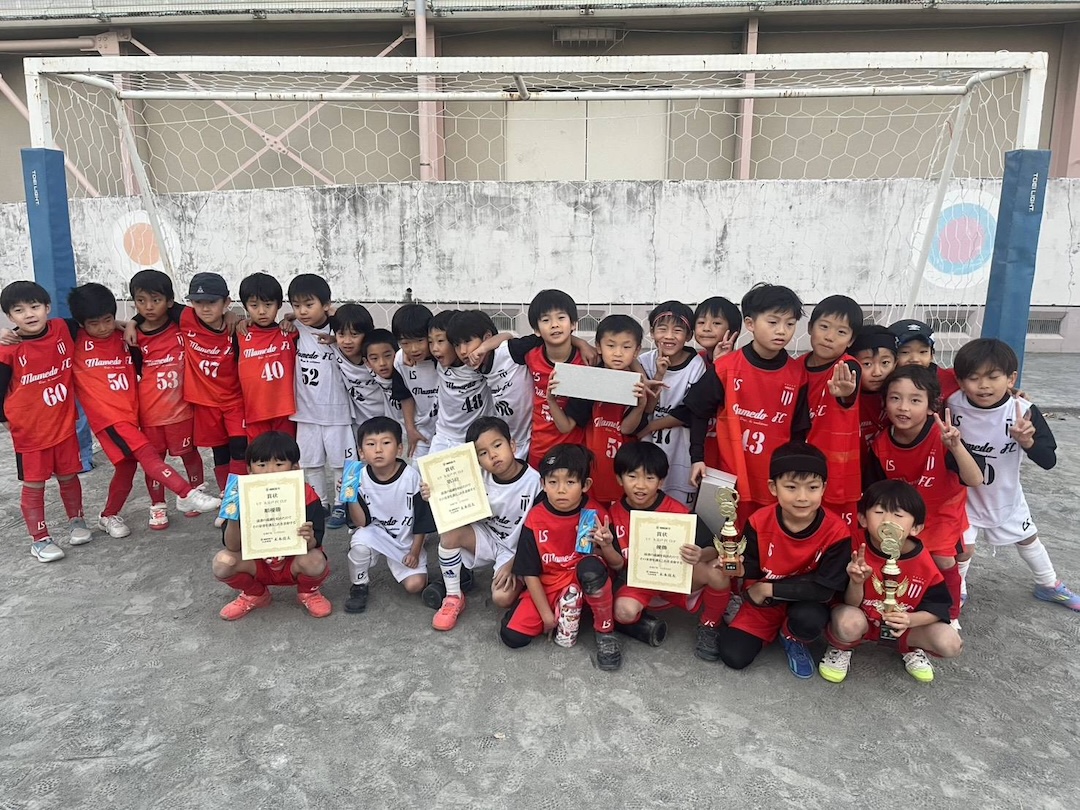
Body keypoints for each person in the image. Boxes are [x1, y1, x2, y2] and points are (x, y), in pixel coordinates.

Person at [67, 283, 220, 536]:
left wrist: (129, 322)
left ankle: (108, 515)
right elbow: (42, 330)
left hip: (133, 413)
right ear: (81, 323)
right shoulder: (75, 340)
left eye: (107, 320)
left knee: (126, 467)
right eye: (94, 324)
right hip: (109, 418)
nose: (103, 328)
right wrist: (11, 333)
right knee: (148, 454)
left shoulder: (124, 335)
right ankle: (187, 493)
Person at [947, 339, 1079, 610]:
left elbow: (1049, 460)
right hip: (963, 497)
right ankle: (956, 591)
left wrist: (1027, 442)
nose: (983, 385)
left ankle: (1048, 584)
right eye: (974, 378)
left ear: (1011, 378)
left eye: (993, 377)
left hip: (1005, 494)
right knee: (963, 549)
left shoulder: (1023, 411)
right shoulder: (952, 405)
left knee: (1028, 538)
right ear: (959, 381)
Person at [715, 442, 851, 678]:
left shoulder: (837, 531)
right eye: (791, 487)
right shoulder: (758, 521)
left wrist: (767, 589)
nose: (802, 497)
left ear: (823, 488)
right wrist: (736, 568)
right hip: (766, 602)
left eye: (812, 487)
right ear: (773, 487)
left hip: (805, 600)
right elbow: (754, 566)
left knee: (809, 619)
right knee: (733, 655)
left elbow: (825, 590)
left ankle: (791, 635)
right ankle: (768, 625)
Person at [865, 365, 984, 625]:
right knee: (898, 557)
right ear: (884, 402)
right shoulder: (880, 444)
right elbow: (875, 492)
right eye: (895, 398)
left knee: (941, 559)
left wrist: (956, 448)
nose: (903, 407)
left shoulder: (943, 436)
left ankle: (950, 615)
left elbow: (976, 479)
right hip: (905, 515)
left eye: (915, 400)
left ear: (932, 407)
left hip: (942, 512)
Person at [685, 283, 811, 529]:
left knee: (760, 539)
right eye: (773, 322)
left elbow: (799, 433)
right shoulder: (726, 367)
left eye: (790, 323)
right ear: (750, 324)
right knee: (721, 540)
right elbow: (698, 411)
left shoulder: (798, 375)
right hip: (725, 475)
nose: (782, 331)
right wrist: (697, 458)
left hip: (772, 480)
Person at [818, 480, 961, 683]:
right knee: (848, 622)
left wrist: (910, 620)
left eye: (898, 515)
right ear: (862, 518)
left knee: (951, 643)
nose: (887, 521)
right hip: (862, 618)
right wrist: (856, 582)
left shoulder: (923, 562)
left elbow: (938, 607)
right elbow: (846, 603)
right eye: (879, 512)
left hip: (903, 626)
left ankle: (910, 647)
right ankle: (842, 645)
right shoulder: (852, 546)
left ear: (916, 528)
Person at [500, 444, 624, 671]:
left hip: (584, 579)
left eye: (570, 482)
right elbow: (529, 572)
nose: (561, 490)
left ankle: (604, 631)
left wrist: (606, 545)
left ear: (585, 485)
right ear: (543, 484)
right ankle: (568, 610)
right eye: (553, 482)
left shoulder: (595, 515)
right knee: (512, 637)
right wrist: (547, 616)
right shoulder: (535, 518)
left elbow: (617, 564)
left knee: (590, 568)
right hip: (550, 584)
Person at [605, 443, 733, 659]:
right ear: (619, 479)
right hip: (640, 584)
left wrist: (700, 554)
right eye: (632, 476)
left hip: (678, 581)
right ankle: (640, 620)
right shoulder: (613, 513)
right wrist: (606, 546)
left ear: (661, 481)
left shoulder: (678, 512)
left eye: (650, 478)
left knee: (719, 571)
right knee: (623, 612)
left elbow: (713, 547)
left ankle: (709, 625)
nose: (640, 485)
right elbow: (617, 564)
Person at [422, 416, 542, 631]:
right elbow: (447, 500)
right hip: (486, 536)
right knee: (449, 533)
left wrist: (514, 562)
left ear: (512, 445)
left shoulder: (534, 482)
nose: (493, 455)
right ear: (476, 459)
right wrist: (433, 493)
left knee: (502, 598)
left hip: (517, 549)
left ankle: (526, 585)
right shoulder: (475, 475)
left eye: (497, 445)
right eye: (483, 453)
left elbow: (538, 532)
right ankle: (453, 596)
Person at [0, 281, 91, 561]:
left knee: (68, 476)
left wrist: (129, 324)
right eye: (19, 310)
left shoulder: (64, 329)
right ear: (9, 316)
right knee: (34, 484)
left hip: (63, 425)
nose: (29, 314)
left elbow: (98, 322)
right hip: (30, 432)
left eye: (34, 306)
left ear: (48, 307)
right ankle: (39, 539)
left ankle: (77, 520)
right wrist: (8, 422)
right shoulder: (7, 348)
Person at [211, 431, 332, 620]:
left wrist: (308, 538)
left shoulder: (306, 495)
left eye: (279, 464)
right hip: (257, 564)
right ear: (249, 470)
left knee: (315, 561)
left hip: (293, 563)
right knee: (222, 562)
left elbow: (315, 542)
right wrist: (233, 515)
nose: (270, 471)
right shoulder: (238, 496)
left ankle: (309, 593)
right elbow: (232, 547)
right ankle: (254, 594)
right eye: (261, 465)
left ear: (295, 468)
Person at [472, 290, 589, 468]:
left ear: (573, 324)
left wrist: (583, 344)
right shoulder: (530, 352)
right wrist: (482, 349)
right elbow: (506, 337)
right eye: (546, 320)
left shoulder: (586, 363)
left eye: (561, 318)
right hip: (539, 444)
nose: (554, 325)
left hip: (574, 448)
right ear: (536, 330)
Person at [129, 269, 207, 530]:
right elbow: (136, 370)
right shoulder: (134, 336)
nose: (149, 307)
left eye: (156, 300)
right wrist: (132, 323)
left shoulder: (181, 327)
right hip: (151, 412)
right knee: (154, 460)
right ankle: (157, 505)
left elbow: (195, 312)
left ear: (170, 301)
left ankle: (195, 493)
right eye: (141, 301)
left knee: (189, 454)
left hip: (181, 410)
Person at [545, 314, 650, 506]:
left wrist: (641, 405)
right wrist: (551, 400)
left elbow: (626, 429)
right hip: (592, 473)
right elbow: (566, 426)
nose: (618, 353)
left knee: (622, 519)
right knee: (592, 520)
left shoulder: (637, 384)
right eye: (611, 345)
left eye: (626, 347)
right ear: (599, 347)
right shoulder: (589, 381)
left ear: (636, 350)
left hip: (626, 474)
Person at [343, 416, 437, 614]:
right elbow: (361, 522)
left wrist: (415, 551)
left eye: (386, 443)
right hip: (376, 532)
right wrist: (350, 496)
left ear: (399, 448)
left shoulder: (411, 477)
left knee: (415, 585)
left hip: (405, 539)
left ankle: (424, 571)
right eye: (370, 444)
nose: (378, 450)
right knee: (359, 546)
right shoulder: (357, 477)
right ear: (361, 452)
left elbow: (422, 519)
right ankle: (359, 585)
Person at [288, 274, 352, 518]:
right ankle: (320, 503)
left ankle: (342, 503)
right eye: (297, 305)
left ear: (326, 304)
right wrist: (289, 319)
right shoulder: (295, 328)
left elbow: (361, 332)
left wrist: (337, 337)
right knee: (311, 461)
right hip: (306, 411)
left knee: (341, 463)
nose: (302, 311)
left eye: (309, 304)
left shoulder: (341, 329)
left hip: (337, 410)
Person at [181, 272, 247, 492]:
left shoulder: (236, 329)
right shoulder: (185, 318)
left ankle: (237, 493)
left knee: (240, 446)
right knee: (220, 450)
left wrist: (235, 315)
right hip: (206, 403)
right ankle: (225, 493)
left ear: (226, 302)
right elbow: (155, 312)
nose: (205, 308)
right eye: (198, 302)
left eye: (211, 302)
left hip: (234, 400)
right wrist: (132, 323)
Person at [801, 294, 863, 527]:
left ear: (851, 340)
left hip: (836, 468)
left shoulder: (848, 367)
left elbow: (849, 394)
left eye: (841, 332)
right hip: (800, 464)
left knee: (837, 532)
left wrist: (846, 393)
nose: (829, 337)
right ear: (810, 328)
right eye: (824, 327)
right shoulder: (796, 367)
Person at [638, 301, 707, 507]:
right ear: (652, 332)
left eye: (677, 330)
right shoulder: (644, 362)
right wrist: (659, 374)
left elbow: (690, 411)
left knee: (677, 508)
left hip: (680, 450)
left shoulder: (696, 365)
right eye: (662, 329)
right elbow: (647, 407)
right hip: (648, 449)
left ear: (688, 336)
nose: (669, 336)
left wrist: (650, 426)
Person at [449, 310, 534, 461]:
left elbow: (540, 339)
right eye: (457, 345)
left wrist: (579, 343)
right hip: (510, 442)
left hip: (533, 437)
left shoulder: (509, 351)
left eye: (467, 342)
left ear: (487, 338)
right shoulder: (476, 366)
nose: (462, 351)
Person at [236, 272, 296, 440]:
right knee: (259, 455)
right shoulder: (240, 333)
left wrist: (294, 319)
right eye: (254, 305)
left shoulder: (290, 332)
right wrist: (230, 317)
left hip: (286, 412)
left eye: (268, 304)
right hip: (255, 412)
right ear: (245, 306)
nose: (262, 311)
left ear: (279, 304)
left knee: (287, 454)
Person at [427, 309, 492, 455]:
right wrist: (405, 355)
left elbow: (507, 337)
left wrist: (484, 348)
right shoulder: (438, 362)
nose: (435, 348)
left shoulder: (477, 365)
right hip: (443, 436)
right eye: (430, 342)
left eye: (441, 341)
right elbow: (412, 348)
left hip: (474, 439)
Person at [692, 296, 741, 470]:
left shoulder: (739, 365)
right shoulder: (694, 361)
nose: (706, 328)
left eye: (716, 323)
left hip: (726, 447)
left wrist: (719, 365)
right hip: (696, 444)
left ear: (734, 331)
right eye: (701, 322)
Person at [391, 303, 440, 458]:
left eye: (419, 340)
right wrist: (410, 428)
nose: (414, 349)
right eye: (405, 343)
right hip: (423, 430)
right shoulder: (400, 361)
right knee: (418, 469)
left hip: (451, 430)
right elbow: (405, 395)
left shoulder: (444, 356)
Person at [888, 318, 959, 404]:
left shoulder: (950, 380)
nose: (915, 359)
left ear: (932, 354)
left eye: (923, 352)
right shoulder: (881, 381)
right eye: (905, 352)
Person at [850, 324, 896, 457]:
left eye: (885, 363)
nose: (877, 372)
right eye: (867, 364)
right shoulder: (845, 398)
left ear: (896, 363)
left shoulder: (902, 396)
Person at [362, 328, 411, 432]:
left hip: (417, 429)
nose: (382, 363)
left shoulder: (407, 372)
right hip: (394, 432)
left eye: (387, 356)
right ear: (367, 362)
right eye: (374, 358)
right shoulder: (371, 372)